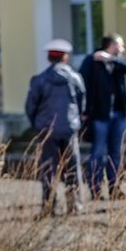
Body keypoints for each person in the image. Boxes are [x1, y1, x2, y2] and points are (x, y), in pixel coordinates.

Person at [25, 38, 86, 215]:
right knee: (72, 167)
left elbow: (31, 106)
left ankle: (48, 205)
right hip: (69, 128)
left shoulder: (39, 80)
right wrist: (76, 122)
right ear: (65, 58)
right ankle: (74, 205)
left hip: (46, 129)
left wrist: (36, 123)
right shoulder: (75, 78)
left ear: (49, 58)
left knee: (48, 168)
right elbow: (82, 103)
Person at [79, 34, 126, 200]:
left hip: (118, 114)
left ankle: (114, 187)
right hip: (99, 115)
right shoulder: (91, 61)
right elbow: (82, 84)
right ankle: (95, 189)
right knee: (97, 153)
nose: (123, 49)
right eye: (121, 45)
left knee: (115, 153)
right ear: (112, 45)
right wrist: (84, 110)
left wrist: (111, 59)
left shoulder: (118, 61)